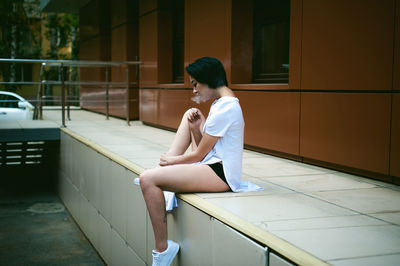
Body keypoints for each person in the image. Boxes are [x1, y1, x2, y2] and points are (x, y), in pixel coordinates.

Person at [139, 57, 262, 266]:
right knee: (190, 114)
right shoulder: (221, 103)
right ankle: (162, 174)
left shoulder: (227, 108)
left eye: (195, 84)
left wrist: (173, 161)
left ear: (208, 79)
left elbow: (198, 156)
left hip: (221, 175)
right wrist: (196, 129)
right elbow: (205, 152)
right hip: (212, 165)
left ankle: (163, 250)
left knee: (147, 180)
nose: (194, 90)